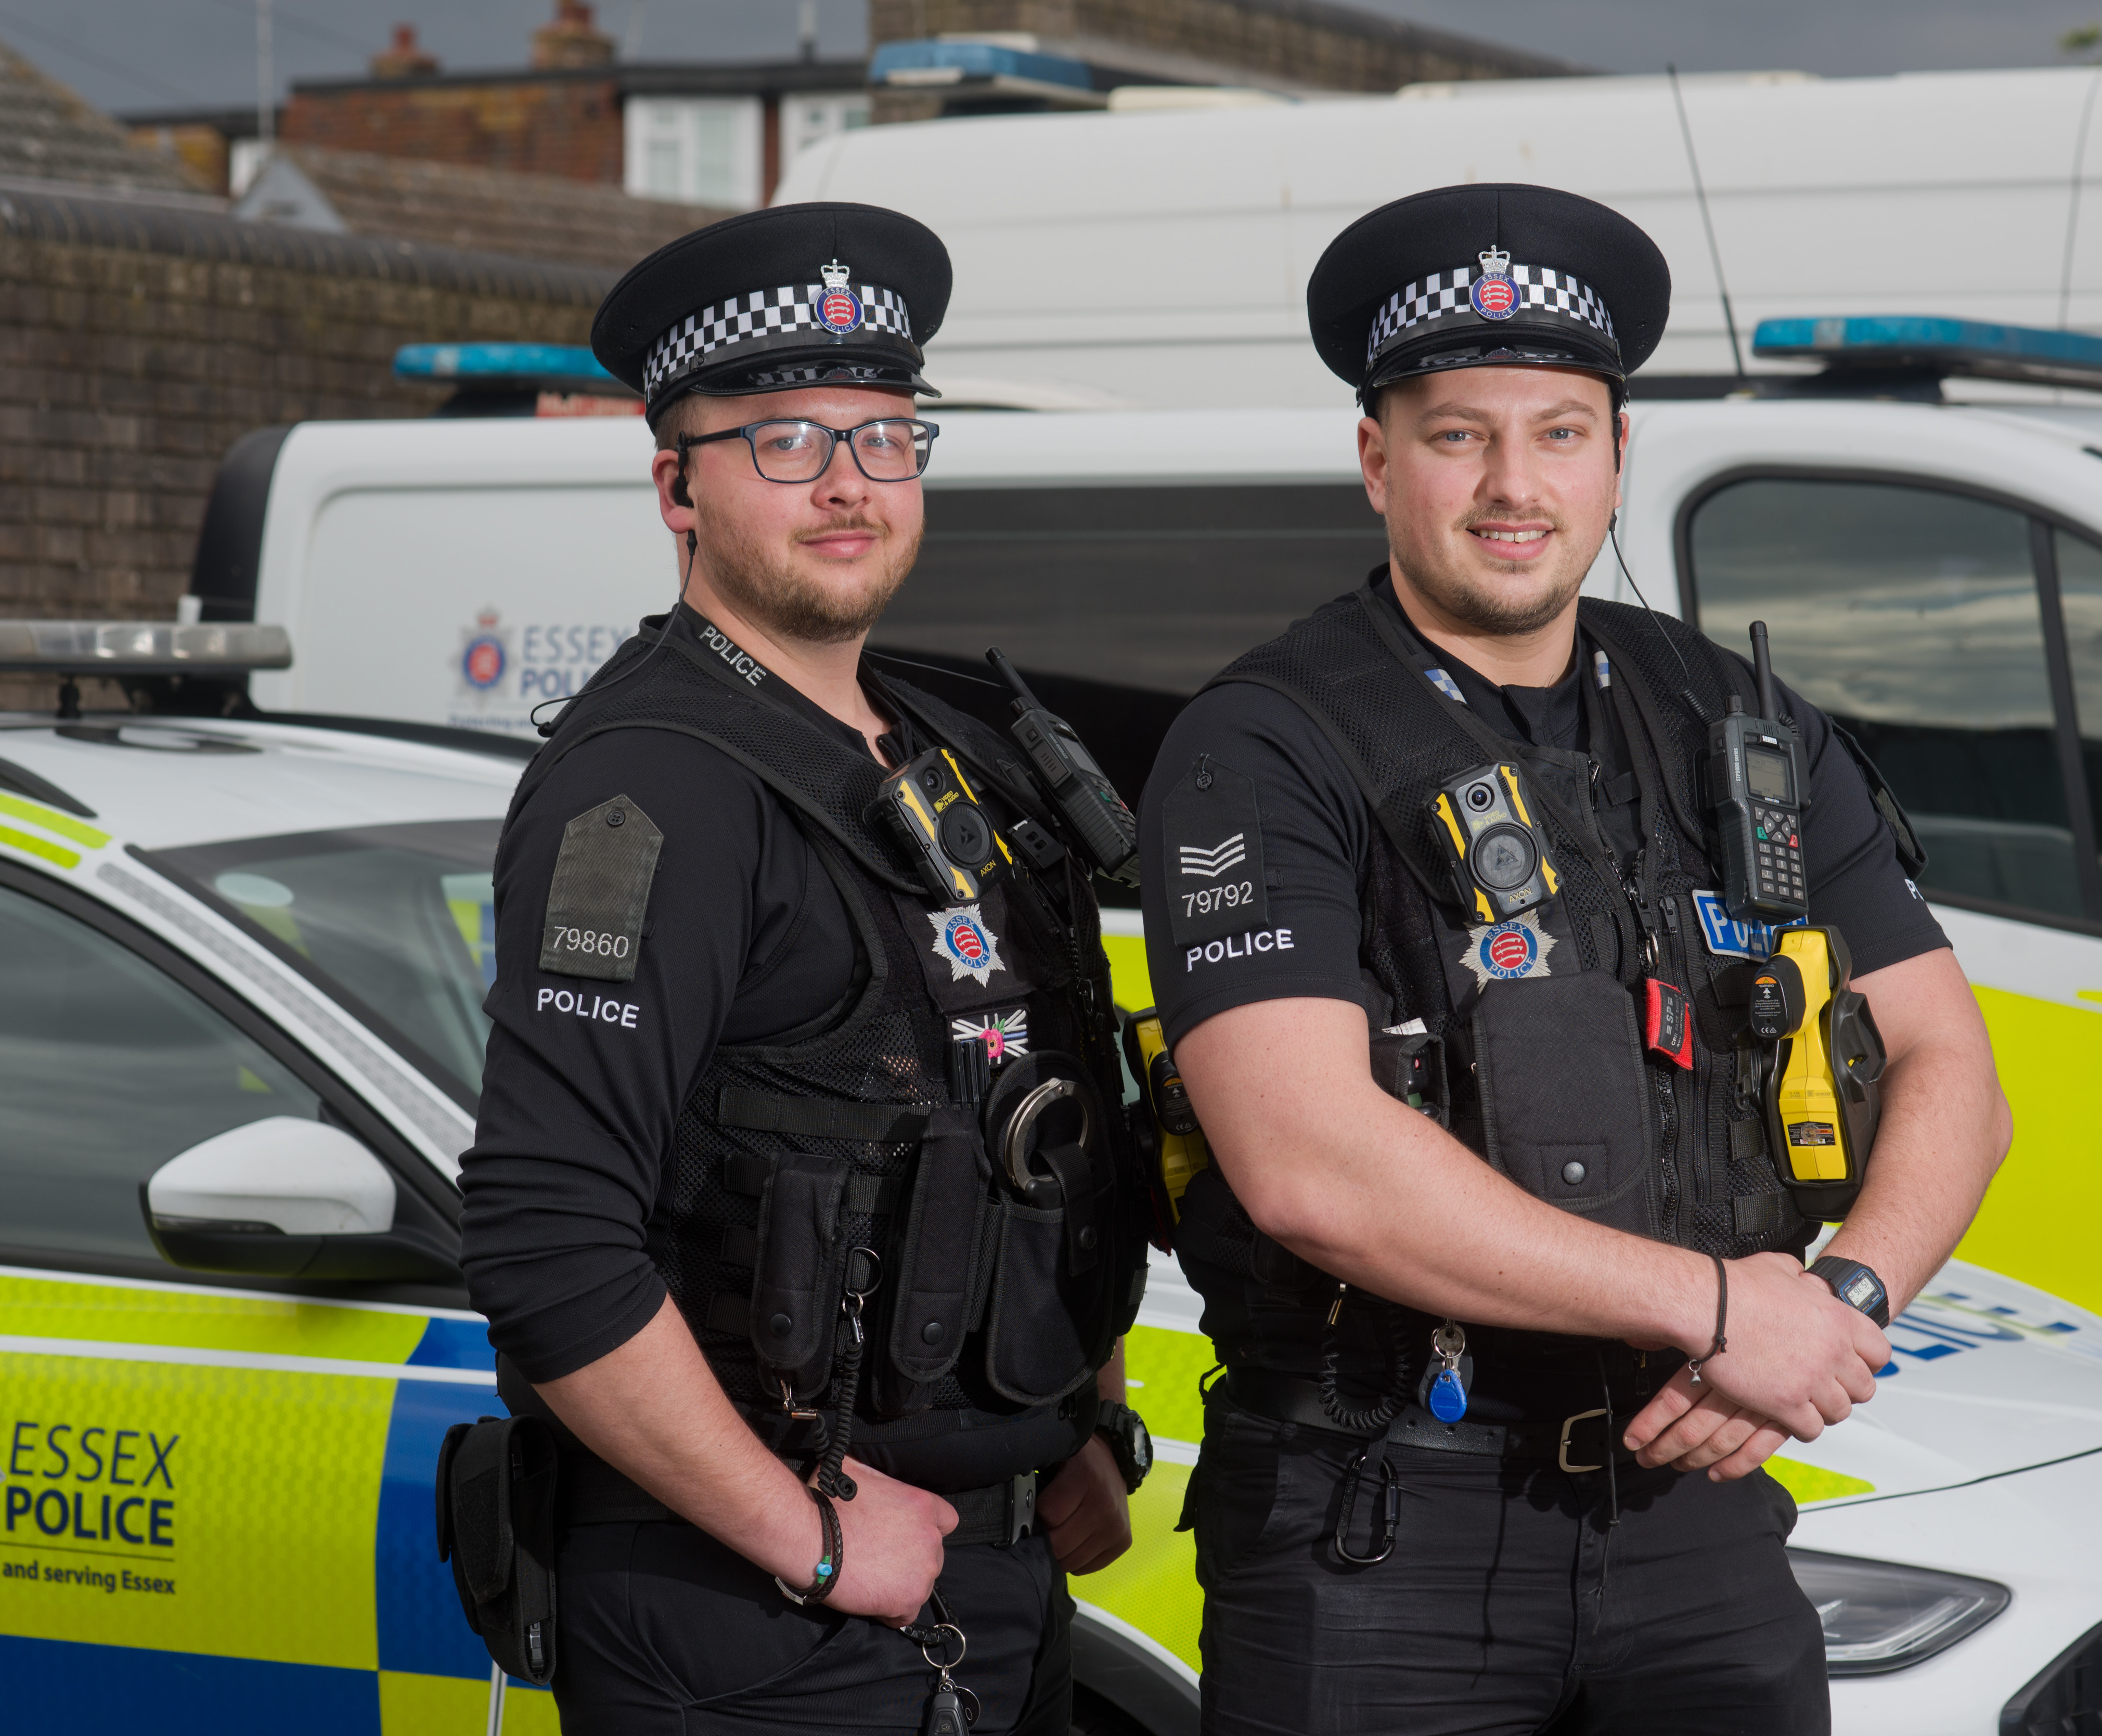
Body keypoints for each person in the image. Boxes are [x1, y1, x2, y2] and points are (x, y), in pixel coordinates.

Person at [1136, 184, 2013, 1735]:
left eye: (1557, 432)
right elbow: (1308, 1165)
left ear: (1617, 454)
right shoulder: (1263, 746)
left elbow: (1951, 1062)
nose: (1512, 484)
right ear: (1377, 460)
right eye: (1458, 435)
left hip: (1698, 1503)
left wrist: (1841, 1297)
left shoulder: (1736, 723)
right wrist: (1720, 1307)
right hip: (1380, 1521)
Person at [459, 202, 1152, 1736]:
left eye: (884, 436)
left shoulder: (958, 754)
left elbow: (1038, 1120)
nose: (847, 482)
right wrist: (810, 1535)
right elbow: (543, 1237)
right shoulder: (646, 790)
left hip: (992, 1569)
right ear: (677, 486)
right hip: (758, 1615)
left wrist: (1089, 1422)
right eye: (783, 440)